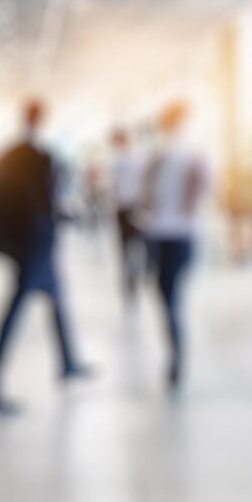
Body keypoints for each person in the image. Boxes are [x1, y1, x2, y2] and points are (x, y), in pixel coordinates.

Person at [0, 98, 90, 412]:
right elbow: (45, 203)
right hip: (36, 247)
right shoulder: (40, 158)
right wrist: (67, 217)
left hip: (24, 246)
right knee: (14, 314)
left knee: (57, 301)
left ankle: (69, 362)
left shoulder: (5, 156)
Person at [139, 100, 209, 392]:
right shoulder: (164, 153)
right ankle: (176, 351)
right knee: (167, 297)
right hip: (166, 233)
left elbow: (201, 186)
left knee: (169, 297)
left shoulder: (188, 153)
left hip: (174, 234)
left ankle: (176, 354)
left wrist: (183, 208)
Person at [107, 125, 147, 304]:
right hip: (132, 206)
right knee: (135, 245)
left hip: (125, 208)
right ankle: (134, 276)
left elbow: (113, 188)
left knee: (127, 246)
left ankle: (131, 277)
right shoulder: (135, 159)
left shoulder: (119, 161)